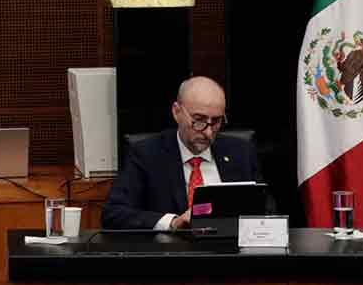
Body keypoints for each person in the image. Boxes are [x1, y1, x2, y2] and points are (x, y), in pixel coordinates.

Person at [101, 76, 262, 230]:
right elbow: (113, 214)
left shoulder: (241, 152)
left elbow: (266, 213)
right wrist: (172, 222)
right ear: (176, 111)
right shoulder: (146, 154)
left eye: (216, 121)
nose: (208, 132)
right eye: (199, 120)